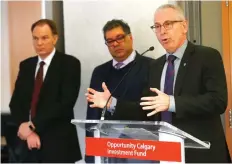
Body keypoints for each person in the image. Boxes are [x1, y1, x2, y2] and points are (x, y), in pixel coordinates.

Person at [86, 4, 231, 163]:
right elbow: (146, 109)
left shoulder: (206, 56)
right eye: (157, 26)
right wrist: (111, 103)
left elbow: (218, 101)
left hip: (202, 154)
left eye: (168, 24)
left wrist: (172, 102)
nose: (162, 31)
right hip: (165, 153)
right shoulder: (155, 66)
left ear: (184, 26)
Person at [9, 19, 82, 162]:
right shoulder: (26, 65)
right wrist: (26, 129)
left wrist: (32, 126)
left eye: (44, 38)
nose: (39, 43)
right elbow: (15, 102)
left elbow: (65, 103)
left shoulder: (69, 64)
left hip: (58, 144)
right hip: (28, 145)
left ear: (55, 38)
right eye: (35, 38)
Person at [85, 19, 155, 163]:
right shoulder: (100, 72)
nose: (115, 44)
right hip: (108, 149)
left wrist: (114, 104)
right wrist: (91, 154)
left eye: (119, 38)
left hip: (141, 148)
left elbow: (149, 110)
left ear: (130, 37)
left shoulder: (151, 67)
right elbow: (92, 115)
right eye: (110, 41)